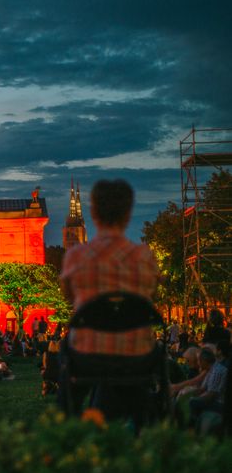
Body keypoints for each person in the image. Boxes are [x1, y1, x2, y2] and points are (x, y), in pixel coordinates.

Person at [59, 179, 159, 417]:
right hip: (136, 355)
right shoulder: (145, 257)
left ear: (93, 212)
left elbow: (69, 297)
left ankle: (65, 417)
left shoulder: (76, 257)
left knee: (65, 347)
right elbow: (150, 298)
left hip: (88, 356)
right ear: (128, 213)